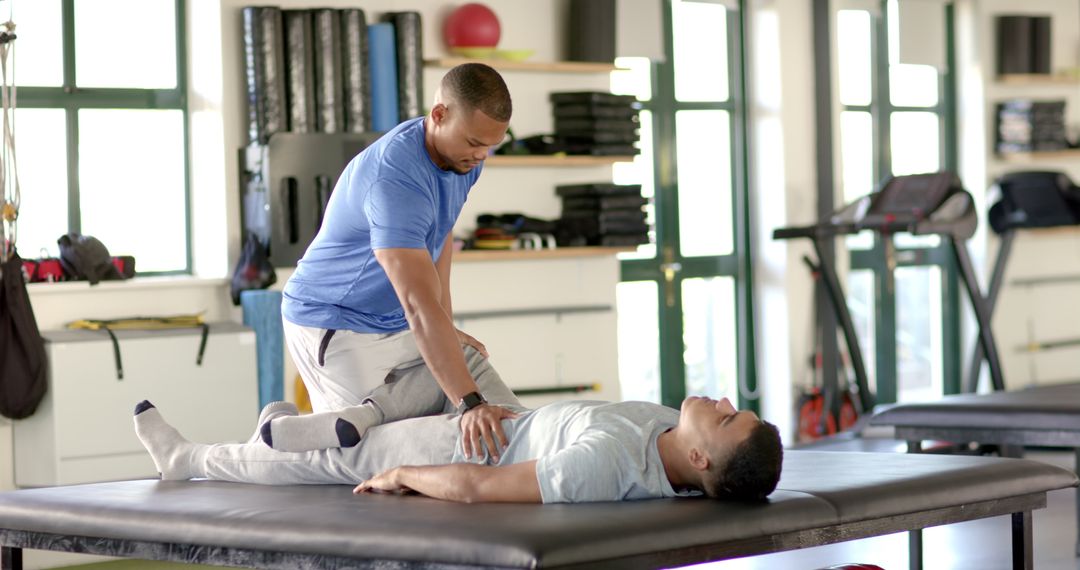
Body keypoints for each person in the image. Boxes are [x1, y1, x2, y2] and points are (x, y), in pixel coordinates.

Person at [133, 355, 783, 504]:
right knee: (458, 354)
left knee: (327, 463)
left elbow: (480, 487)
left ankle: (185, 457)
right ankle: (350, 416)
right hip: (510, 417)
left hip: (465, 444)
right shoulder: (673, 429)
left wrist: (405, 474)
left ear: (699, 456)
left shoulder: (608, 464)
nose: (722, 398)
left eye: (726, 415)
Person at [274, 62, 518, 457]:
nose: (481, 154)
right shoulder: (395, 180)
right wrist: (469, 403)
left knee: (466, 378)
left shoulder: (461, 158)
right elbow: (418, 306)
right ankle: (234, 449)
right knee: (364, 455)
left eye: (491, 145)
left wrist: (449, 330)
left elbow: (439, 236)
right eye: (474, 141)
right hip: (334, 321)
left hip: (391, 319)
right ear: (439, 115)